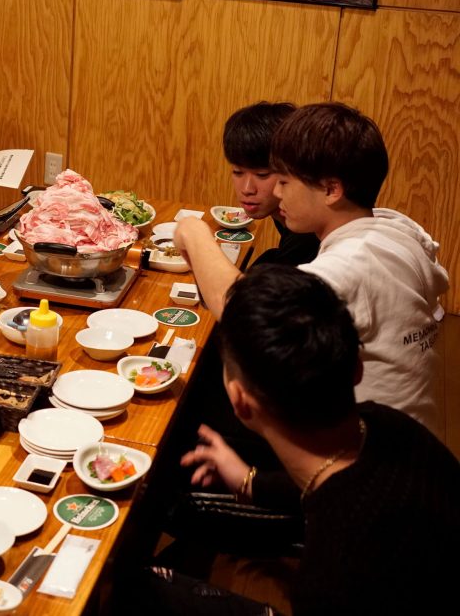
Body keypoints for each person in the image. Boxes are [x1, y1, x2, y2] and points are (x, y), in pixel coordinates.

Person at [133, 265, 460, 615]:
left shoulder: (335, 571)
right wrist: (249, 482)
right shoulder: (388, 425)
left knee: (139, 588)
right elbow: (331, 478)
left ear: (239, 400)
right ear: (356, 368)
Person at [175, 103, 448, 439]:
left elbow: (243, 313)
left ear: (332, 190)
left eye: (283, 181)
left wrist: (193, 232)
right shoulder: (395, 229)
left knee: (191, 404)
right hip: (420, 438)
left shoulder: (350, 264)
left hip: (373, 454)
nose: (275, 191)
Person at [221, 102, 319, 267]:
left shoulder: (307, 231)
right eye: (238, 172)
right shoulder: (281, 209)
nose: (247, 189)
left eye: (262, 175)